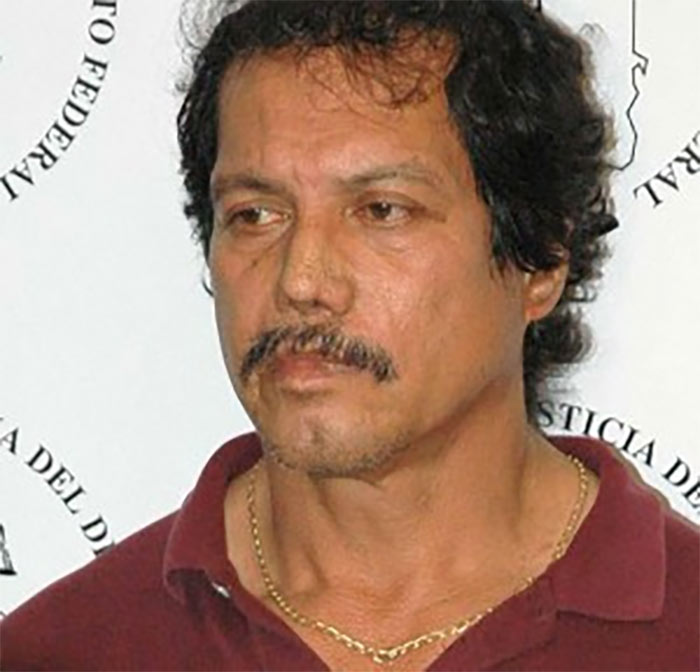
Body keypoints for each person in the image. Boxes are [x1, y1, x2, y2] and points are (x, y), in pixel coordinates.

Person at [1, 1, 698, 670]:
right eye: (255, 214)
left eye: (382, 210)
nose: (301, 280)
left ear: (539, 261)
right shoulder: (62, 652)